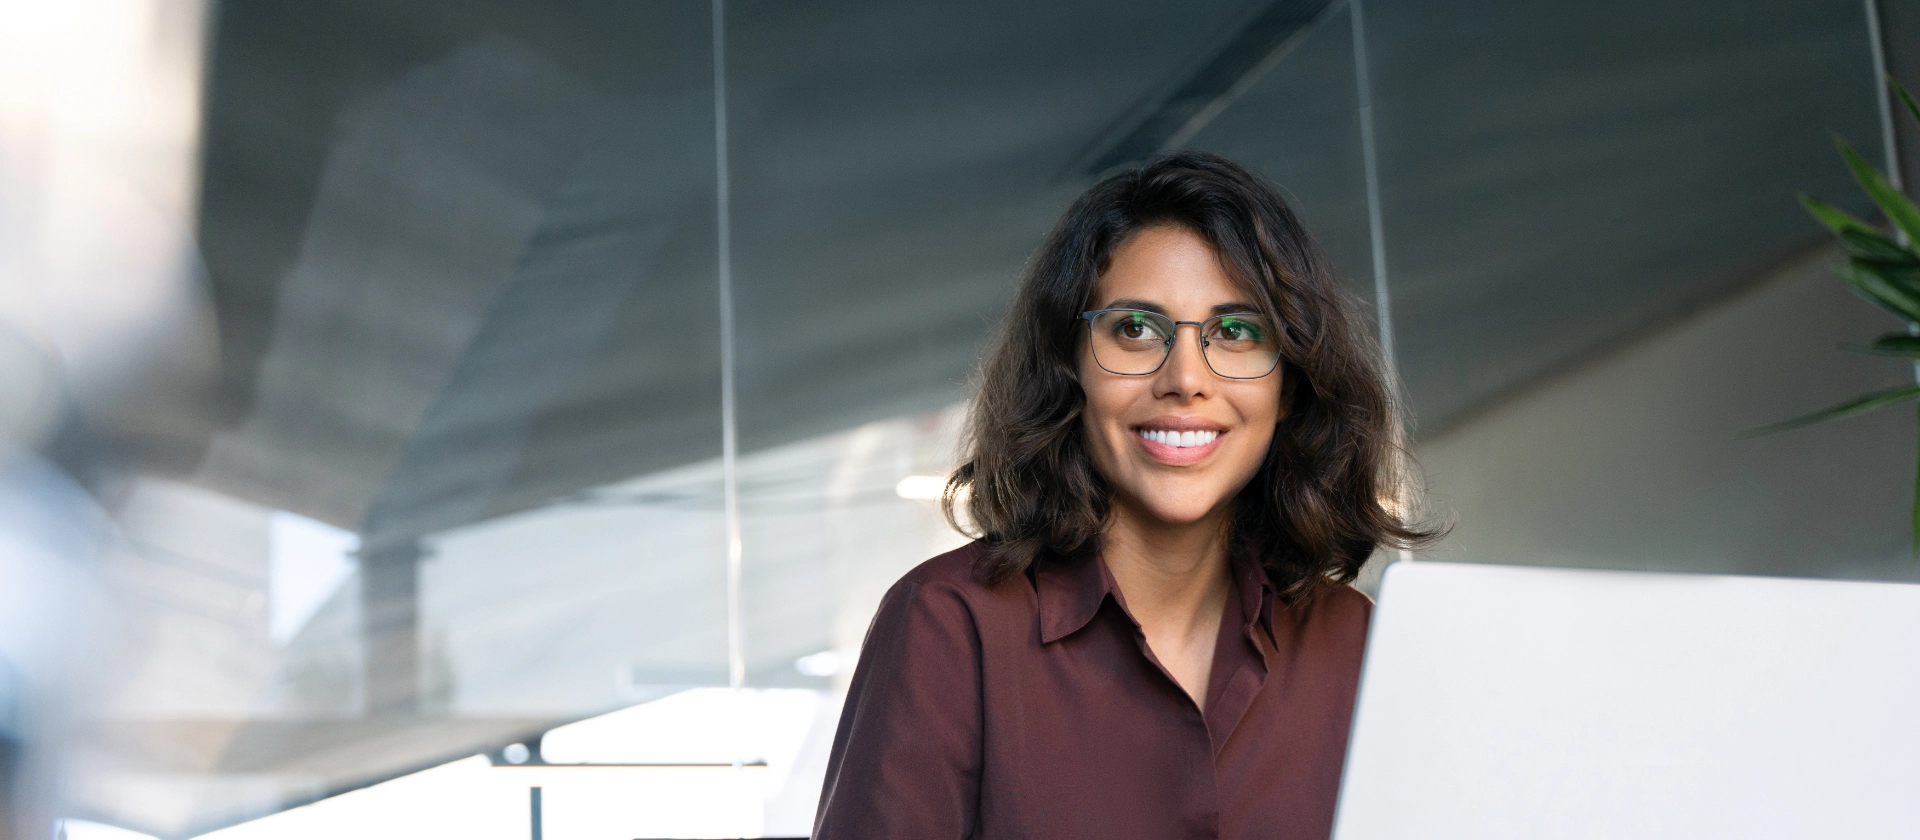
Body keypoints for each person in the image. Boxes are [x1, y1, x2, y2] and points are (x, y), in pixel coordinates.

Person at [812, 151, 1442, 840]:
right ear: (1070, 365)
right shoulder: (950, 628)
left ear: (1289, 383)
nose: (1186, 379)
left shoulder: (1353, 642)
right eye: (1136, 329)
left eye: (1236, 332)